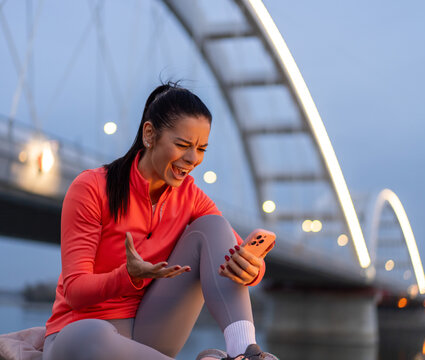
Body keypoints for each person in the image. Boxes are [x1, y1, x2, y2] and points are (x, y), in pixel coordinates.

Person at [41, 83, 279, 360]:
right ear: (149, 134)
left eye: (201, 148)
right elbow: (75, 292)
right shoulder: (92, 187)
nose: (192, 159)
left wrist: (254, 269)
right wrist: (127, 276)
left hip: (150, 333)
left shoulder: (190, 197)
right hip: (82, 334)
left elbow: (230, 250)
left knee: (213, 227)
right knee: (90, 336)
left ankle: (244, 352)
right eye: (182, 145)